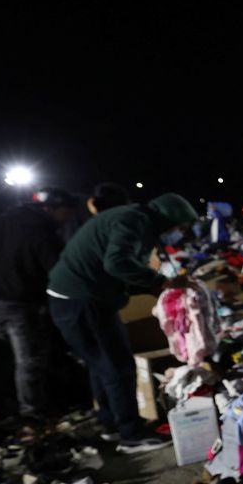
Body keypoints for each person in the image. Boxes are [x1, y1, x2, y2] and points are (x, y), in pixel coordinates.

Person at [46, 193, 198, 454]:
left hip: (76, 298)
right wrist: (161, 283)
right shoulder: (134, 220)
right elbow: (117, 263)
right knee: (118, 366)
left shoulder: (131, 217)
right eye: (180, 226)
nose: (179, 233)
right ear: (169, 219)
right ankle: (131, 434)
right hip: (83, 300)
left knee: (100, 364)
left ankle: (111, 423)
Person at [0, 187, 78, 427]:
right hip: (18, 306)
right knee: (29, 363)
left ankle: (1, 409)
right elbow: (56, 271)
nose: (67, 219)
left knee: (2, 360)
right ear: (51, 209)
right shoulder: (42, 232)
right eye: (66, 213)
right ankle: (32, 414)